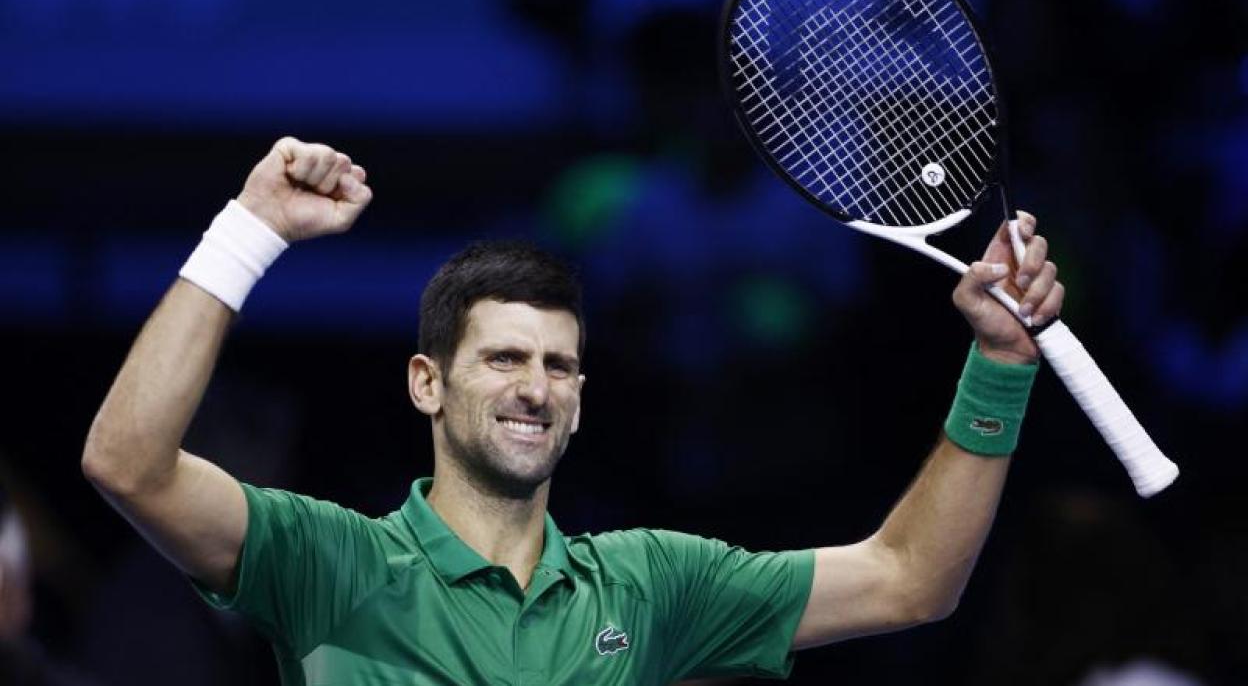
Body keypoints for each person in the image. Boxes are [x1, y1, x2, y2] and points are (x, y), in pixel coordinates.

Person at [82, 137, 1065, 684]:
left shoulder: (649, 583)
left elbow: (910, 579)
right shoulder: (328, 560)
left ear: (582, 398)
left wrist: (1000, 360)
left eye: (559, 363)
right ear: (427, 381)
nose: (535, 384)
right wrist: (246, 232)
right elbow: (128, 461)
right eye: (504, 356)